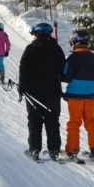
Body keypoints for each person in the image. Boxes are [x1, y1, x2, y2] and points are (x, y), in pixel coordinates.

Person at [18, 23, 65, 161]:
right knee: (52, 120)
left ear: (35, 34)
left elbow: (23, 68)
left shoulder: (30, 49)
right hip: (53, 92)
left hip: (34, 93)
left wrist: (22, 86)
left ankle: (35, 149)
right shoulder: (57, 49)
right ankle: (54, 150)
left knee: (34, 120)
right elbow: (63, 70)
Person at [62, 30, 94, 162]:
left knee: (74, 123)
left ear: (74, 42)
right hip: (91, 96)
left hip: (75, 96)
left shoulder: (72, 58)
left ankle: (73, 150)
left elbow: (66, 77)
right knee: (91, 122)